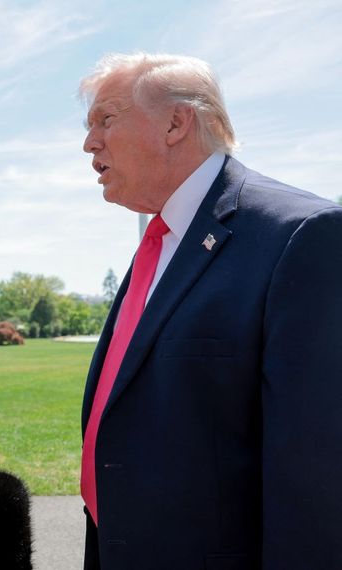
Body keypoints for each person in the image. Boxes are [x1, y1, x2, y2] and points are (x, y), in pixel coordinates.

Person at [77, 53, 342, 569]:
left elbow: (316, 479)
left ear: (177, 122)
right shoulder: (163, 240)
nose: (90, 142)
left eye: (105, 119)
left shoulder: (300, 235)